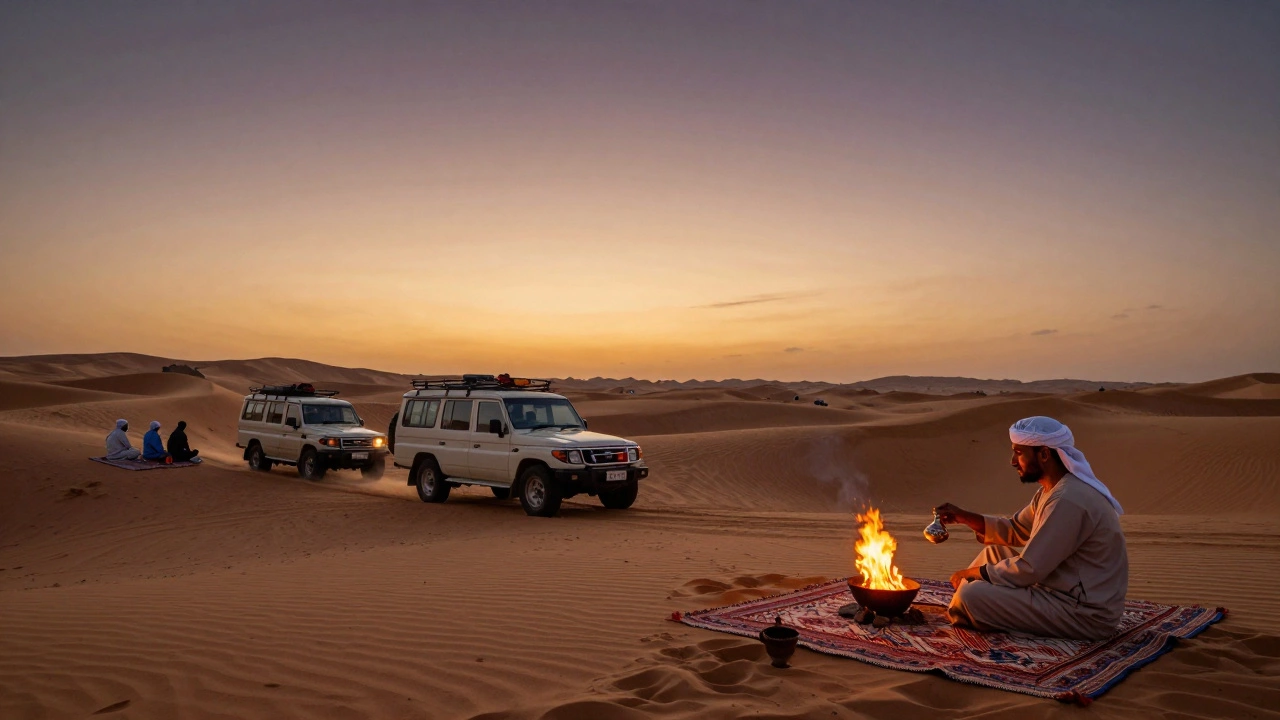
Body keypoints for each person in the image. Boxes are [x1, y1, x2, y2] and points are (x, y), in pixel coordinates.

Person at [935, 416, 1128, 641]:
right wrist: (965, 518)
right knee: (993, 553)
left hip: (1084, 612)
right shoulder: (1052, 490)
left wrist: (970, 573)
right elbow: (1016, 529)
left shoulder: (1068, 499)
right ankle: (970, 607)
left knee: (971, 594)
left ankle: (969, 609)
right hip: (1061, 589)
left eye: (1018, 452)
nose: (1012, 461)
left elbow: (1029, 569)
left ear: (1044, 454)